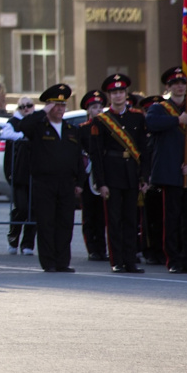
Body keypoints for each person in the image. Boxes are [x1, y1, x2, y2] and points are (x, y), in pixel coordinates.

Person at [10, 84, 87, 272]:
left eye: (62, 105)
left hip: (67, 183)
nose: (59, 109)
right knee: (46, 222)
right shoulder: (39, 127)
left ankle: (62, 261)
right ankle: (49, 262)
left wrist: (80, 183)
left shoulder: (70, 129)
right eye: (55, 105)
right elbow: (22, 126)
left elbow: (78, 158)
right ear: (48, 107)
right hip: (44, 182)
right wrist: (42, 111)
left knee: (65, 223)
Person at [145, 67, 187, 274]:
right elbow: (152, 124)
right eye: (175, 84)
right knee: (171, 219)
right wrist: (177, 120)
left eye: (183, 83)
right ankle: (173, 260)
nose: (180, 86)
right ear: (168, 87)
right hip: (170, 173)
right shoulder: (160, 108)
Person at [88, 75, 148, 273]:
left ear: (126, 94)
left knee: (131, 219)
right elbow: (96, 154)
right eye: (114, 93)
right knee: (114, 220)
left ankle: (130, 260)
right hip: (112, 174)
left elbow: (143, 150)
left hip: (131, 173)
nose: (118, 95)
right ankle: (117, 261)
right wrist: (100, 181)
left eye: (121, 92)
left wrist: (144, 177)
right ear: (109, 95)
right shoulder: (101, 120)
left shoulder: (137, 117)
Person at [1, 97, 37, 256]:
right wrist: (23, 135)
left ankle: (28, 244)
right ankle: (13, 238)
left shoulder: (37, 122)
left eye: (29, 106)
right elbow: (7, 134)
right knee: (21, 208)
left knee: (34, 210)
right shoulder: (13, 122)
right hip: (18, 173)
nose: (26, 109)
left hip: (35, 173)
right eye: (23, 106)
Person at [77, 90, 109, 262]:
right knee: (89, 213)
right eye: (94, 107)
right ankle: (92, 248)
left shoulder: (108, 127)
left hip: (103, 173)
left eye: (100, 107)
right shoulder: (82, 129)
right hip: (88, 173)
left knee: (102, 215)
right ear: (88, 110)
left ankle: (102, 248)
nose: (98, 110)